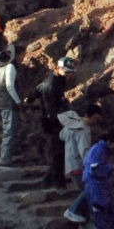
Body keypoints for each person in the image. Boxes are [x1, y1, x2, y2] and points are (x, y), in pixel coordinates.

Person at [35, 57, 75, 188]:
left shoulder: (59, 80)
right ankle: (59, 184)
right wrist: (63, 123)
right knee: (57, 154)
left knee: (60, 153)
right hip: (52, 123)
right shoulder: (51, 84)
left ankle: (48, 181)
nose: (69, 75)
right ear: (58, 68)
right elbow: (51, 109)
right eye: (67, 72)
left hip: (58, 120)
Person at [61, 105, 103, 224]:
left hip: (70, 162)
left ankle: (85, 220)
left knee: (86, 193)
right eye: (94, 119)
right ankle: (73, 210)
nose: (95, 122)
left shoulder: (73, 123)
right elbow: (84, 151)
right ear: (87, 116)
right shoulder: (83, 130)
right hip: (80, 165)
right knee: (90, 189)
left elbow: (62, 135)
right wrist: (91, 166)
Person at [0, 43, 28, 168]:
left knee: (22, 128)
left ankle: (10, 152)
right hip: (9, 104)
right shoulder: (10, 67)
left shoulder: (1, 66)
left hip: (7, 102)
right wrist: (18, 101)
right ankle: (5, 160)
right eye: (23, 55)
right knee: (10, 131)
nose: (24, 58)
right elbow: (9, 86)